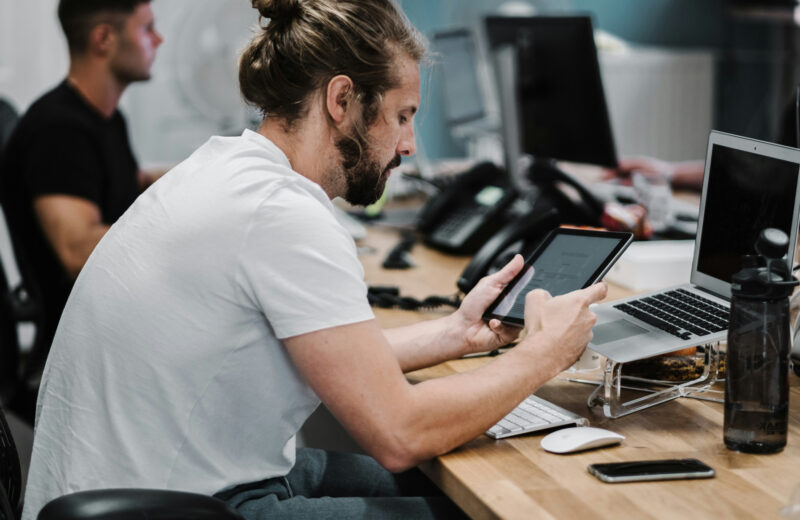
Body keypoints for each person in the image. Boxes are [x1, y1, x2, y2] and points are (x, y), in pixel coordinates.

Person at [21, 0, 607, 518]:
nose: (408, 144)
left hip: (136, 486)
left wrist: (458, 332)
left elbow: (328, 356)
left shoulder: (230, 167)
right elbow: (399, 431)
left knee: (458, 481)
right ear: (342, 99)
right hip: (179, 506)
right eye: (403, 116)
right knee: (474, 504)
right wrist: (540, 355)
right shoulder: (283, 214)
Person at [0, 0, 163, 406]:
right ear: (104, 39)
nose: (158, 39)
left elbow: (133, 183)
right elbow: (77, 249)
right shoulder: (59, 131)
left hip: (117, 320)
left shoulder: (105, 119)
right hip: (84, 346)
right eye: (146, 29)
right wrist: (185, 229)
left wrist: (211, 180)